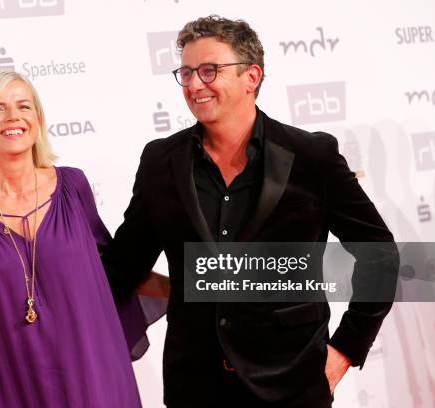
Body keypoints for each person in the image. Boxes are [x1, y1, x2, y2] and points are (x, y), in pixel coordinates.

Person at [102, 16, 398, 408]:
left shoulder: (311, 157)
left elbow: (379, 253)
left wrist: (345, 349)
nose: (193, 85)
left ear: (251, 76)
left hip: (292, 384)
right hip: (194, 384)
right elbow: (124, 266)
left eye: (209, 71)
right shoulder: (161, 160)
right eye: (186, 72)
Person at [0, 70, 154, 407]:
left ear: (38, 118)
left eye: (24, 106)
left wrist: (184, 283)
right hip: (11, 382)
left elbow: (110, 271)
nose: (13, 117)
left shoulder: (73, 186)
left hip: (91, 374)